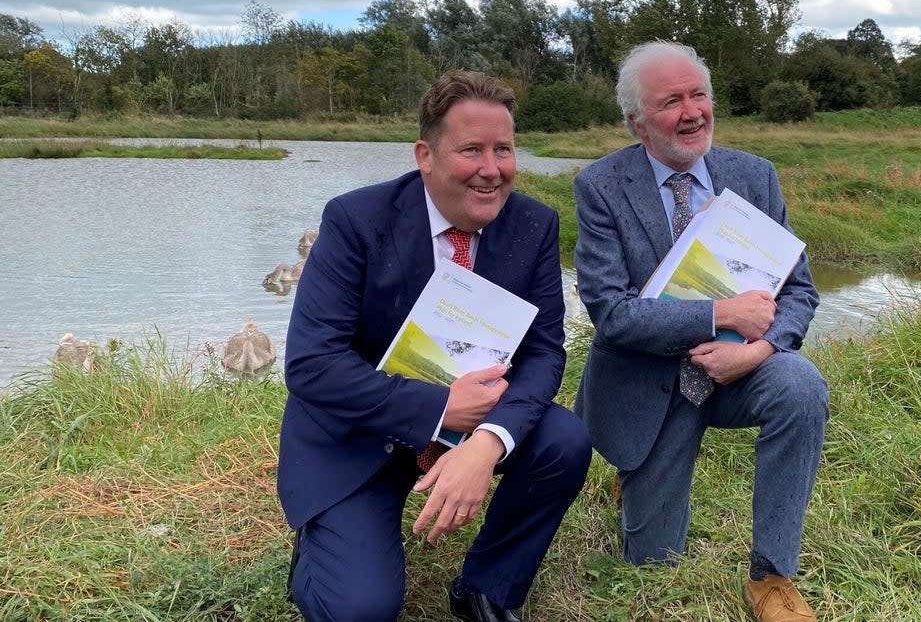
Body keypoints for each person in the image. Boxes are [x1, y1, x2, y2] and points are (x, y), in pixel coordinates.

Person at [278, 70, 592, 622]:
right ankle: (321, 543)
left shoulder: (535, 225)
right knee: (361, 608)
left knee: (562, 441)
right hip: (362, 434)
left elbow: (544, 351)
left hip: (476, 422)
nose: (492, 169)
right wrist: (440, 408)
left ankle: (486, 589)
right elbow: (311, 365)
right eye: (471, 149)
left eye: (504, 149)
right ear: (425, 155)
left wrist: (488, 440)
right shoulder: (355, 220)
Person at [573, 41, 827, 622]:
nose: (692, 112)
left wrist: (758, 348)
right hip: (649, 378)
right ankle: (632, 475)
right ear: (638, 122)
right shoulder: (600, 186)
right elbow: (611, 313)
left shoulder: (754, 176)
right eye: (671, 102)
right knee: (652, 563)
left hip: (740, 369)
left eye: (699, 95)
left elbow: (800, 291)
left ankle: (771, 575)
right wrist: (722, 314)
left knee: (800, 386)